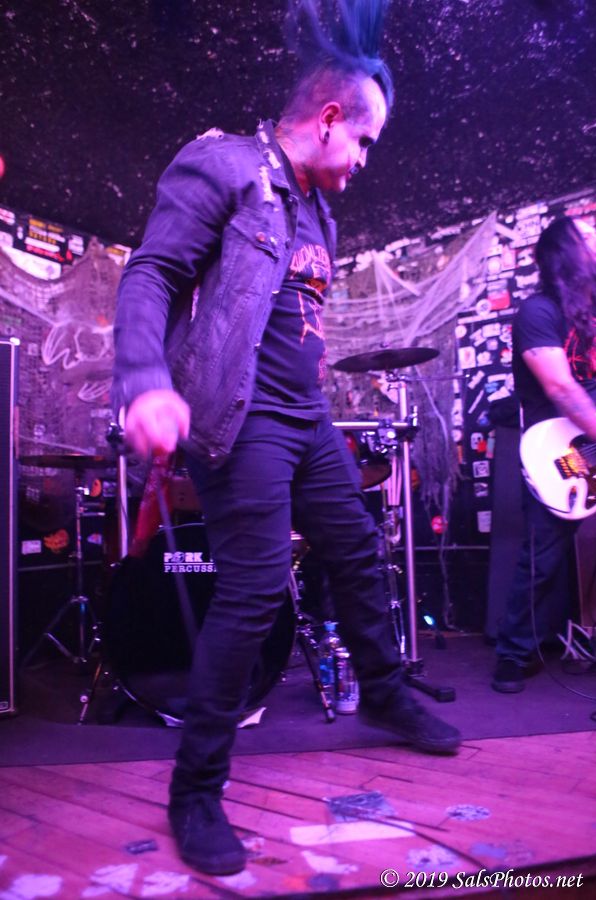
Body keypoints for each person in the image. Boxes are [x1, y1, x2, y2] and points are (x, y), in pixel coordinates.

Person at [111, 0, 461, 877]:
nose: (364, 161)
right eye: (365, 142)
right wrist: (146, 381)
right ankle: (196, 788)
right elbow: (152, 274)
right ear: (330, 118)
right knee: (256, 587)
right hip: (239, 417)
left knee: (357, 544)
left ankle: (384, 692)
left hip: (303, 415)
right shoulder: (225, 166)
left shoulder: (318, 214)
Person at [492, 215, 596, 693]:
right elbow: (561, 388)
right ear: (566, 252)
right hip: (560, 452)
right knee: (543, 558)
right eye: (590, 237)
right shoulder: (538, 312)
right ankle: (513, 653)